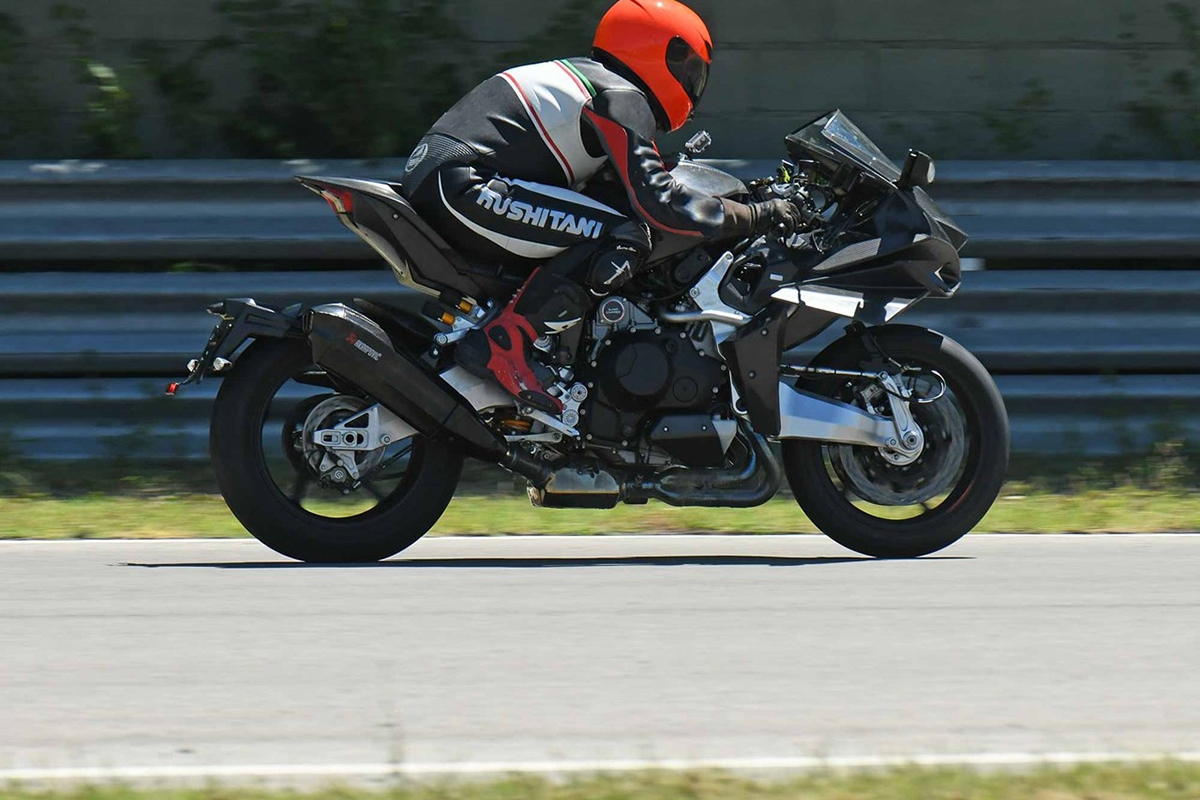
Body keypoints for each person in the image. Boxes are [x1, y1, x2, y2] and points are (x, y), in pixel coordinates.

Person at [401, 0, 803, 414]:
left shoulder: (588, 82)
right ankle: (505, 344)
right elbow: (663, 203)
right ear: (657, 51)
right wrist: (756, 214)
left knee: (601, 222)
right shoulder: (621, 96)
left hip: (449, 177)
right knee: (625, 235)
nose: (691, 83)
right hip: (466, 184)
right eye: (687, 69)